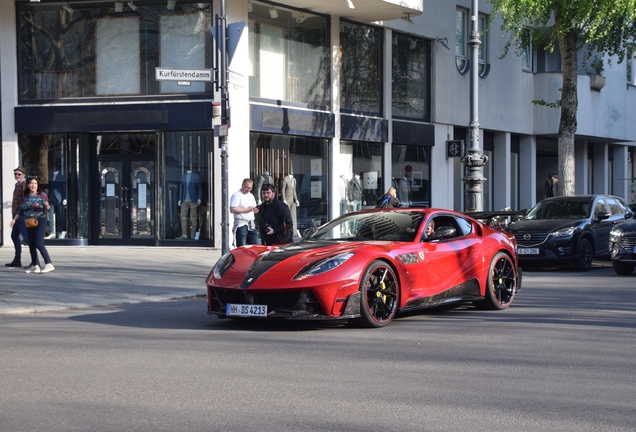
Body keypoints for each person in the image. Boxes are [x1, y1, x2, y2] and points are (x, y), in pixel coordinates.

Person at [10, 176, 55, 274]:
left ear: (37, 185)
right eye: (31, 183)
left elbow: (47, 205)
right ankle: (35, 265)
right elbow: (21, 210)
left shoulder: (41, 195)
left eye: (35, 183)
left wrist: (47, 206)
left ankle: (48, 263)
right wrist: (14, 220)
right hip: (29, 222)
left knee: (38, 243)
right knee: (31, 244)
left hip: (40, 220)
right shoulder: (26, 196)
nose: (33, 185)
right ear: (28, 185)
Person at [5, 167, 28, 268]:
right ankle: (17, 260)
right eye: (15, 174)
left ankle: (35, 261)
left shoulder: (24, 185)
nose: (17, 176)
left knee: (27, 238)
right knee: (14, 236)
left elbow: (25, 200)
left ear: (24, 175)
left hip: (21, 215)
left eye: (19, 174)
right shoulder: (17, 184)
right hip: (16, 214)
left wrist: (22, 213)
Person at [230, 178, 259, 247]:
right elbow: (232, 209)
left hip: (251, 223)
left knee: (255, 245)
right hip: (241, 224)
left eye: (250, 188)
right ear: (242, 185)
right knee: (242, 246)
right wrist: (246, 210)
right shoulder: (237, 195)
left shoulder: (251, 195)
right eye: (246, 187)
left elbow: (254, 208)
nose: (248, 190)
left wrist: (256, 209)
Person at [178, 169, 202, 239]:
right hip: (184, 200)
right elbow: (181, 189)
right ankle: (184, 234)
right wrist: (180, 199)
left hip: (193, 200)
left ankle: (193, 235)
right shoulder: (183, 177)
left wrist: (199, 198)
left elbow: (199, 188)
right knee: (182, 216)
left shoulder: (196, 177)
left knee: (193, 217)